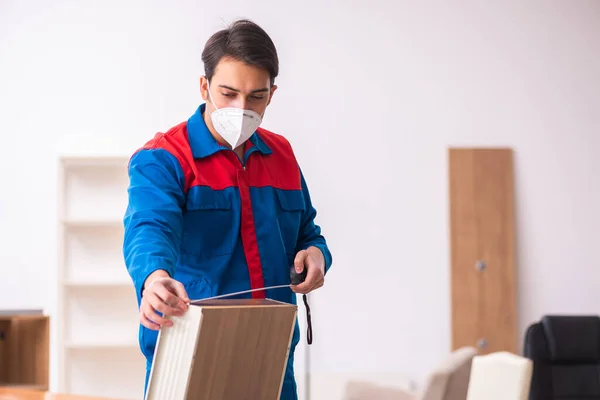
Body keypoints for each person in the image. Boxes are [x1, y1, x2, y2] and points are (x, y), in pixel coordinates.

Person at [122, 19, 333, 400]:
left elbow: (307, 232)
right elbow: (149, 228)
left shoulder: (281, 154)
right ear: (204, 86)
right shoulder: (165, 158)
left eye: (256, 96)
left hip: (272, 352)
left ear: (272, 94)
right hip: (190, 353)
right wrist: (153, 277)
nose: (241, 108)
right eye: (229, 93)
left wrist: (317, 255)